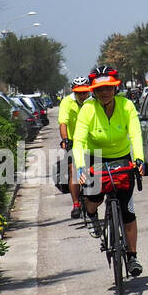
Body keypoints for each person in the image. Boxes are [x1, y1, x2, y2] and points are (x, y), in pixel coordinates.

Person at [73, 65, 145, 278]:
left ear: (116, 88)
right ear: (93, 91)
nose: (105, 92)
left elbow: (135, 133)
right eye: (100, 89)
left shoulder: (127, 105)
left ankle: (132, 257)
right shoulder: (87, 109)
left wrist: (139, 158)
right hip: (95, 156)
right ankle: (93, 214)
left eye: (109, 88)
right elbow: (79, 139)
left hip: (122, 158)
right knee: (94, 197)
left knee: (127, 211)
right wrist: (80, 166)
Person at [57, 77, 93, 219]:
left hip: (91, 141)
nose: (82, 95)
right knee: (73, 171)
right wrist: (65, 139)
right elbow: (63, 122)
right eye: (79, 93)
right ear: (74, 92)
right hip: (73, 142)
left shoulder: (93, 101)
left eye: (85, 92)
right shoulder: (67, 102)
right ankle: (76, 204)